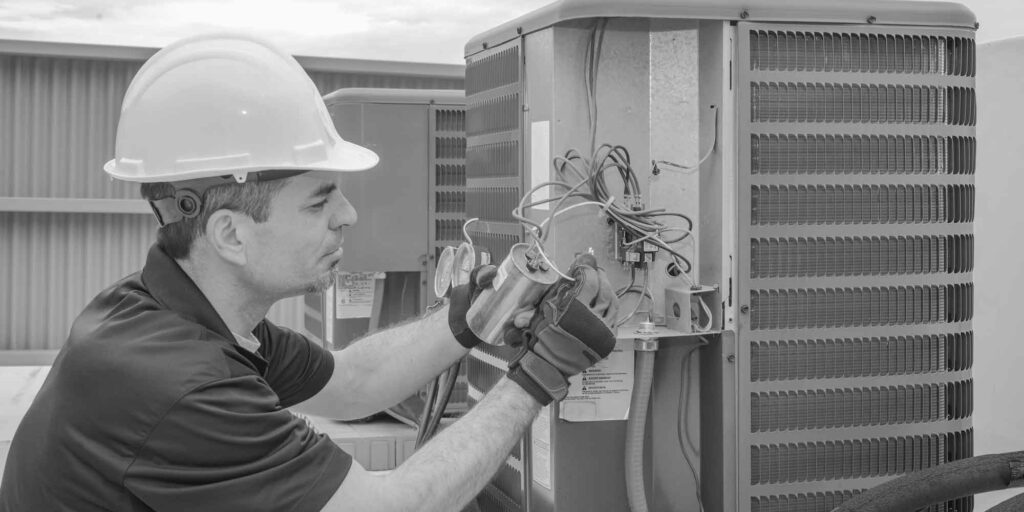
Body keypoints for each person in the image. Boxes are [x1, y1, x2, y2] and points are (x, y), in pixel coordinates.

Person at [0, 34, 619, 512]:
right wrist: (541, 374)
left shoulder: (173, 314)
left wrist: (472, 316)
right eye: (320, 201)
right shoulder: (180, 386)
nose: (348, 216)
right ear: (230, 235)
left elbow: (350, 382)